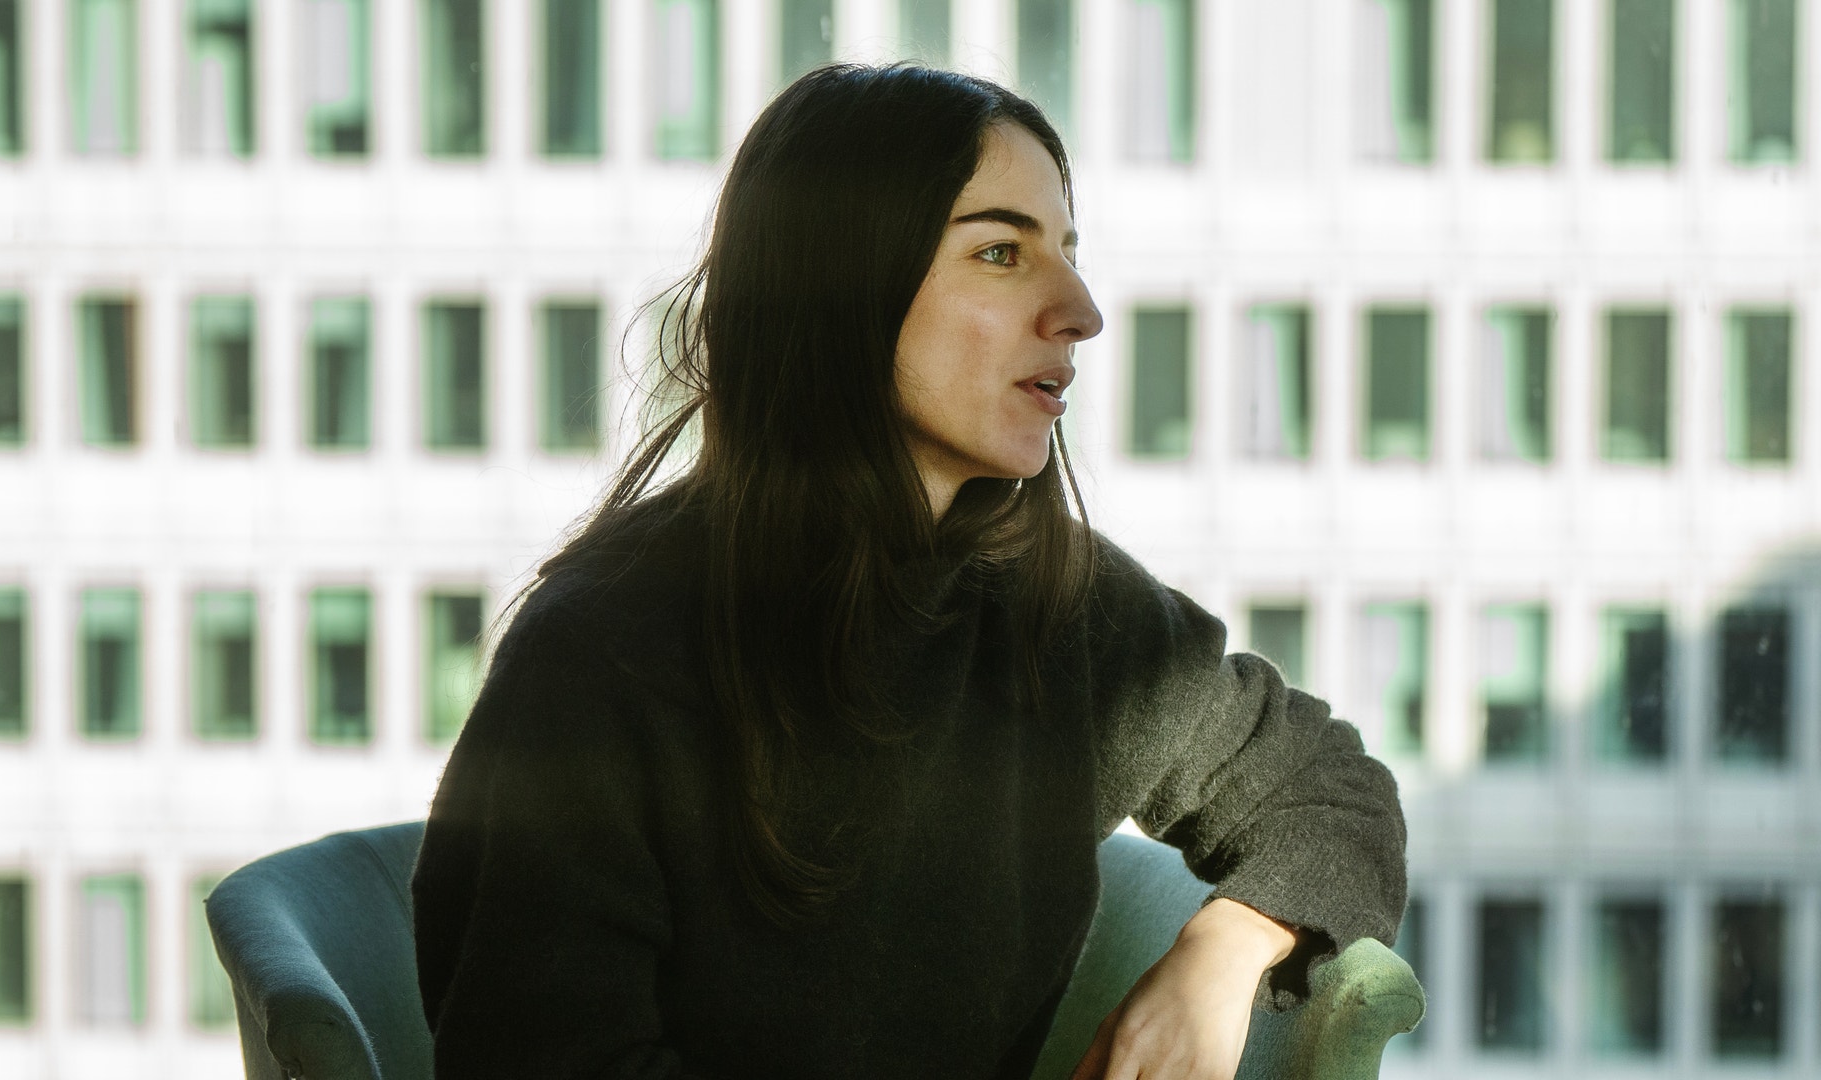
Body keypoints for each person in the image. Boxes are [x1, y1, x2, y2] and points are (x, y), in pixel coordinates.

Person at [411, 64, 1406, 1080]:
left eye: (1068, 253)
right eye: (1001, 252)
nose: (1080, 310)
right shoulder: (601, 653)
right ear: (841, 284)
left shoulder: (1060, 607)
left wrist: (1224, 950)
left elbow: (1330, 790)